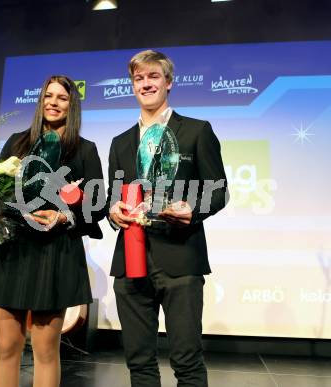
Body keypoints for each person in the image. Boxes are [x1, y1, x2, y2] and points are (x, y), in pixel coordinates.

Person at [107, 50, 229, 387]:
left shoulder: (196, 131)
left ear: (169, 82)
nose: (145, 84)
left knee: (187, 363)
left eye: (153, 77)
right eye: (138, 79)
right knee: (139, 365)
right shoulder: (120, 143)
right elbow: (112, 198)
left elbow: (218, 191)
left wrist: (192, 209)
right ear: (133, 86)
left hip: (180, 260)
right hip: (130, 262)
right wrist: (113, 211)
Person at [0, 75, 106, 387]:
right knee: (7, 346)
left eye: (62, 98)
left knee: (46, 350)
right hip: (14, 251)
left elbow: (98, 204)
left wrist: (64, 216)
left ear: (72, 105)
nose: (53, 102)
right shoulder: (16, 143)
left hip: (56, 253)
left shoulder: (84, 150)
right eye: (49, 96)